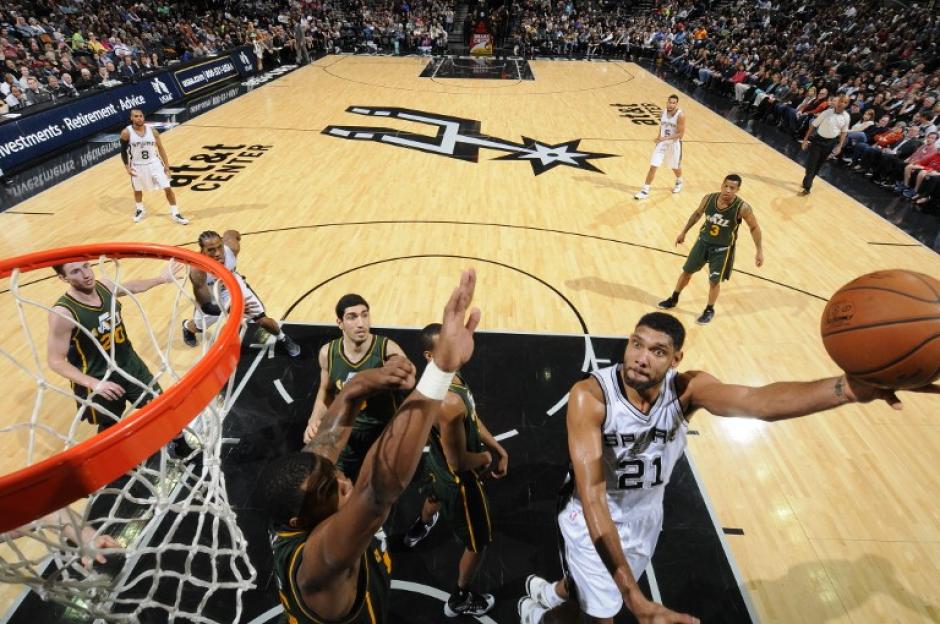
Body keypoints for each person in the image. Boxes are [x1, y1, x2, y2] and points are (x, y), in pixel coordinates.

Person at [518, 312, 939, 624]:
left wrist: (846, 390)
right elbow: (592, 495)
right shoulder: (590, 396)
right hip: (594, 517)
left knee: (598, 587)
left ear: (676, 358)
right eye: (637, 344)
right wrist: (635, 597)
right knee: (606, 612)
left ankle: (550, 593)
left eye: (658, 351)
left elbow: (759, 403)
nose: (642, 358)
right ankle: (546, 613)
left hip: (646, 516)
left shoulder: (688, 389)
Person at [263, 269, 480, 624]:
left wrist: (353, 388)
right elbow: (376, 490)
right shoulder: (318, 562)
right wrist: (440, 371)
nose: (343, 481)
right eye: (332, 488)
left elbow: (324, 447)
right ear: (299, 521)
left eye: (335, 477)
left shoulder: (298, 503)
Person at [402, 322, 509, 617]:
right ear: (429, 355)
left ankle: (421, 526)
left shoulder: (441, 377)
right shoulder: (448, 402)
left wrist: (496, 445)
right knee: (479, 541)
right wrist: (487, 457)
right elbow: (459, 462)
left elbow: (470, 418)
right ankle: (460, 597)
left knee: (433, 496)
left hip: (436, 462)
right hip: (461, 481)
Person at [47, 259, 180, 430]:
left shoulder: (104, 286)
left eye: (86, 266)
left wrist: (161, 278)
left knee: (162, 407)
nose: (86, 274)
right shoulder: (63, 313)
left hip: (130, 365)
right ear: (63, 278)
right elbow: (55, 361)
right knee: (111, 426)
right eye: (75, 271)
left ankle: (182, 447)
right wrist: (93, 384)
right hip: (98, 377)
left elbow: (131, 287)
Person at [303, 294, 409, 482]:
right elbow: (325, 391)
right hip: (347, 429)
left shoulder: (387, 349)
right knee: (336, 478)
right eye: (352, 317)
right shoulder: (328, 353)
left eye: (365, 315)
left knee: (380, 482)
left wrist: (404, 370)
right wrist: (314, 419)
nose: (361, 323)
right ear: (340, 322)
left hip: (382, 430)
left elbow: (408, 375)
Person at [657, 174, 763, 324]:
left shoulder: (742, 208)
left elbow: (754, 227)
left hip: (722, 249)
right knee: (686, 272)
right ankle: (673, 298)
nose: (727, 190)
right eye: (725, 186)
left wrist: (759, 251)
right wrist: (684, 232)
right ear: (721, 185)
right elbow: (697, 214)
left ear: (738, 190)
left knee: (714, 282)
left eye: (732, 188)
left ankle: (709, 309)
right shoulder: (709, 199)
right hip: (702, 243)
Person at [182, 230, 300, 357]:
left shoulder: (231, 248)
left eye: (219, 247)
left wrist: (234, 235)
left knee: (262, 319)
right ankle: (186, 326)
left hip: (233, 285)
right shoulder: (197, 271)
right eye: (211, 250)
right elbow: (207, 307)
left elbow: (232, 233)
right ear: (202, 251)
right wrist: (233, 309)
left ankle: (283, 338)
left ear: (223, 243)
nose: (217, 253)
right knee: (199, 327)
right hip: (212, 297)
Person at [119, 109, 188, 225]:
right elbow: (123, 151)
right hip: (137, 164)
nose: (139, 118)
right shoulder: (126, 133)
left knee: (167, 188)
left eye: (141, 116)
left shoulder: (153, 131)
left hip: (155, 163)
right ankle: (140, 209)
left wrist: (167, 166)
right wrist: (127, 167)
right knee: (137, 189)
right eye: (136, 116)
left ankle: (176, 213)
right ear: (131, 118)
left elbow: (160, 148)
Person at [635, 94, 685, 200]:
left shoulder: (680, 115)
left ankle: (679, 181)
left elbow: (680, 134)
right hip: (662, 143)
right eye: (669, 102)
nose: (671, 104)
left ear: (676, 104)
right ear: (667, 102)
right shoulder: (663, 112)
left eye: (673, 103)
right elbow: (662, 126)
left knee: (674, 166)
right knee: (653, 166)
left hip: (674, 145)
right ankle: (645, 191)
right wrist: (659, 137)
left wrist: (665, 138)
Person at [800, 94, 850, 194]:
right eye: (841, 101)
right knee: (811, 164)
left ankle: (807, 181)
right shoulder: (827, 112)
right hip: (818, 140)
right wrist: (805, 139)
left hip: (830, 143)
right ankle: (808, 187)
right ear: (837, 101)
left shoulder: (846, 117)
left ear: (847, 104)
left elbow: (844, 132)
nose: (842, 104)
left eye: (845, 102)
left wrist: (839, 146)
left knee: (818, 165)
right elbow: (813, 125)